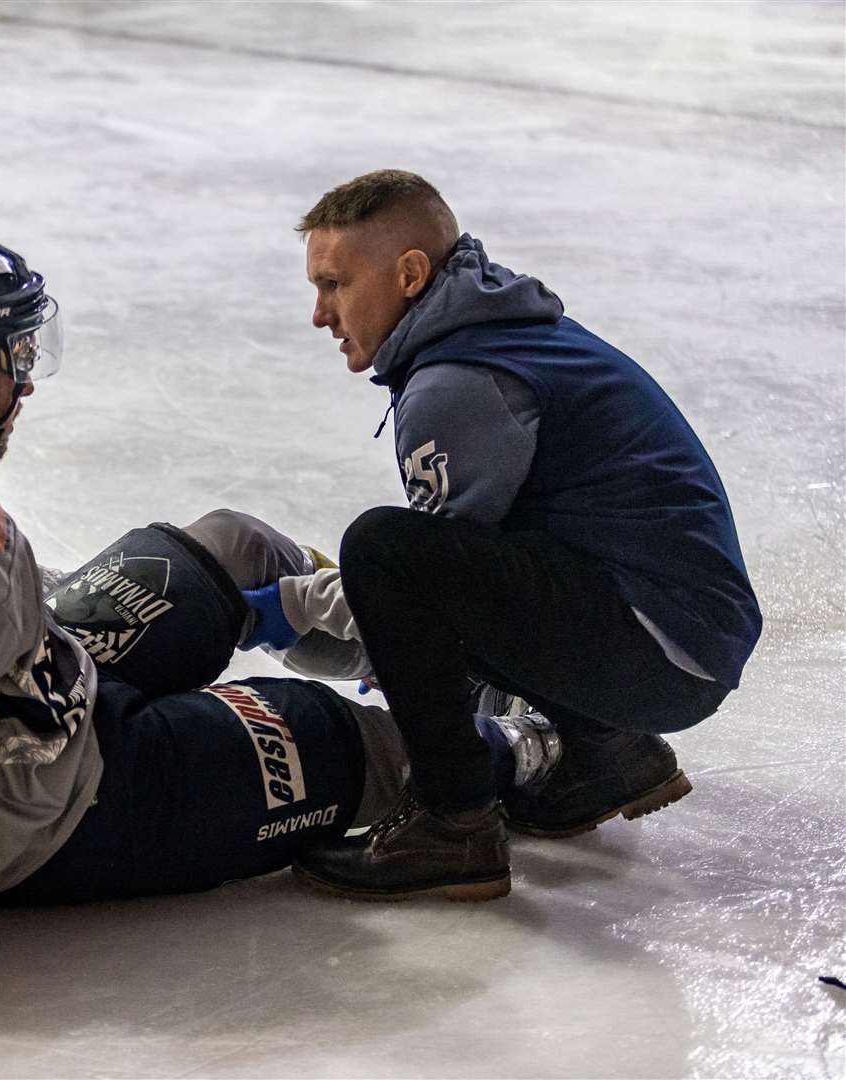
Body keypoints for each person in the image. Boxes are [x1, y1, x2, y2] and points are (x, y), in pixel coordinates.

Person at [0, 226, 562, 1013]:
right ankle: (550, 747)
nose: (29, 377)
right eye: (16, 354)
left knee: (231, 547)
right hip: (34, 810)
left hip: (45, 696)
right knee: (355, 744)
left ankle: (417, 650)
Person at [279, 169, 761, 902]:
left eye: (335, 284)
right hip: (683, 636)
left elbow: (425, 594)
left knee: (384, 548)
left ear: (410, 274)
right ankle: (606, 755)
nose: (320, 313)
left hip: (660, 650)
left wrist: (286, 606)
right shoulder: (503, 332)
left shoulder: (457, 381)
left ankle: (453, 824)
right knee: (459, 569)